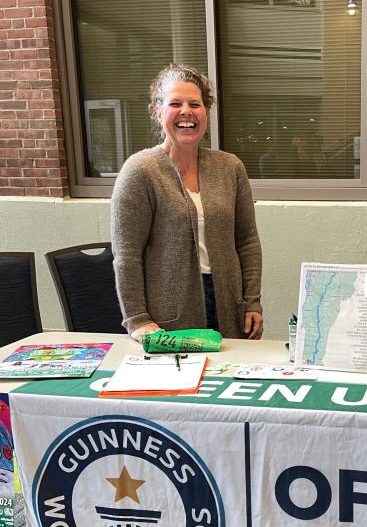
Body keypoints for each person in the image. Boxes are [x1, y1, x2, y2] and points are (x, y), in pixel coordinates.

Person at [111, 64, 263, 342]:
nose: (186, 112)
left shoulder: (230, 167)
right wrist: (137, 319)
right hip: (168, 313)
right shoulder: (140, 171)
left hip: (229, 306)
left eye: (195, 103)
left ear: (206, 112)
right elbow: (127, 255)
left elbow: (247, 241)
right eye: (175, 103)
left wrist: (252, 301)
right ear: (158, 112)